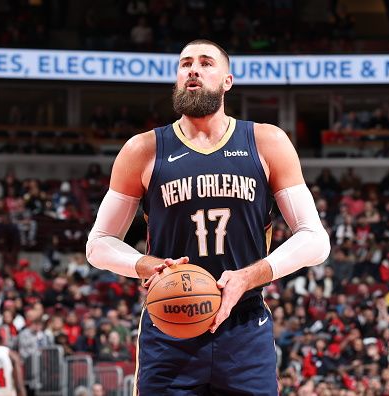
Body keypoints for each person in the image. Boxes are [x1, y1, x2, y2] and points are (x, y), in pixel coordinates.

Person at [86, 39, 331, 394]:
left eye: (205, 62)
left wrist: (248, 277)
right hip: (169, 326)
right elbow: (98, 244)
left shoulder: (265, 142)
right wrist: (147, 266)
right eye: (185, 64)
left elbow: (315, 239)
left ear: (227, 80)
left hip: (244, 324)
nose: (194, 69)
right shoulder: (143, 150)